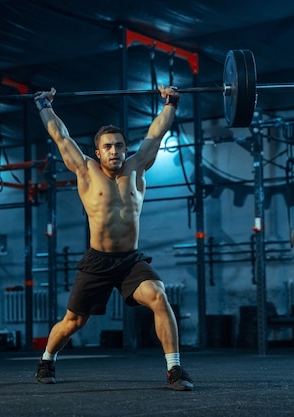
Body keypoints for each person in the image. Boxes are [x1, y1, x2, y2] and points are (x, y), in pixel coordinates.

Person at [32, 85, 193, 391]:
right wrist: (43, 104)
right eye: (108, 147)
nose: (115, 151)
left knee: (159, 296)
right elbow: (60, 136)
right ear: (98, 152)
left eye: (119, 145)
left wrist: (171, 102)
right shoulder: (85, 170)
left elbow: (155, 134)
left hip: (130, 261)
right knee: (74, 322)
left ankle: (175, 370)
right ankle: (47, 359)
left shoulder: (137, 166)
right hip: (97, 261)